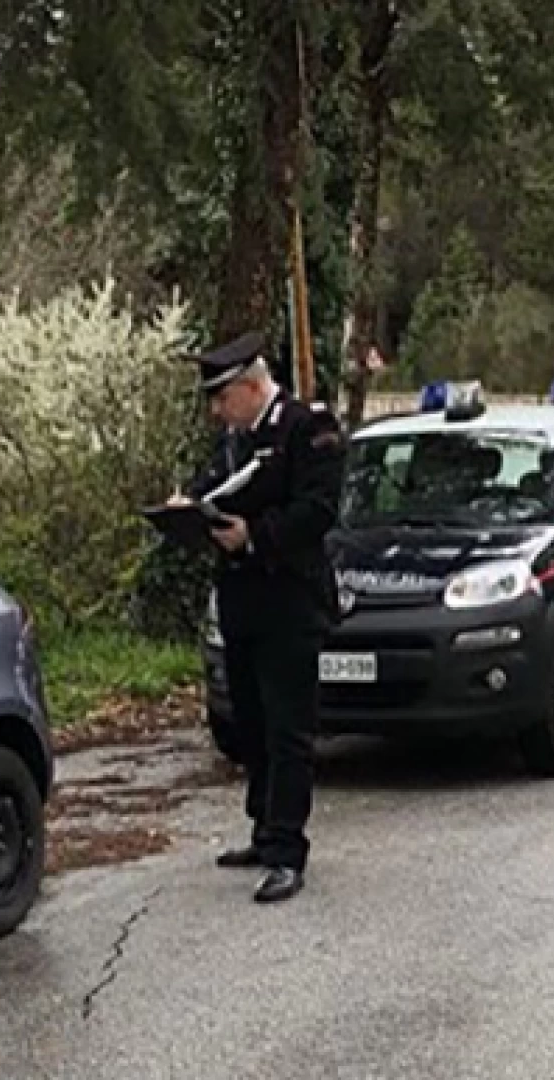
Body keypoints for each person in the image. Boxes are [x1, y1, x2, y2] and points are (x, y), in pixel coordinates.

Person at [172, 331, 347, 903]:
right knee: (249, 723)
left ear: (251, 387)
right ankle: (262, 826)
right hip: (241, 603)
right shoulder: (235, 438)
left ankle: (287, 850)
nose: (215, 412)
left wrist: (254, 537)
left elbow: (317, 511)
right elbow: (210, 486)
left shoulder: (307, 428)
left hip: (289, 600)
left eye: (223, 399)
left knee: (288, 728)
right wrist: (184, 508)